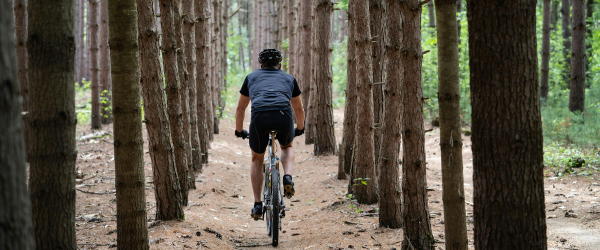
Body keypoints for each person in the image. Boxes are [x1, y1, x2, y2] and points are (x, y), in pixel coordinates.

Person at [234, 48, 305, 219]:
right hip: (283, 116)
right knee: (287, 146)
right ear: (280, 65)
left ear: (260, 65)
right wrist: (300, 128)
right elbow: (298, 108)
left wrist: (239, 130)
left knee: (257, 158)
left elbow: (240, 108)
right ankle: (287, 177)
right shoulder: (289, 78)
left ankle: (258, 205)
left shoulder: (251, 77)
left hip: (260, 117)